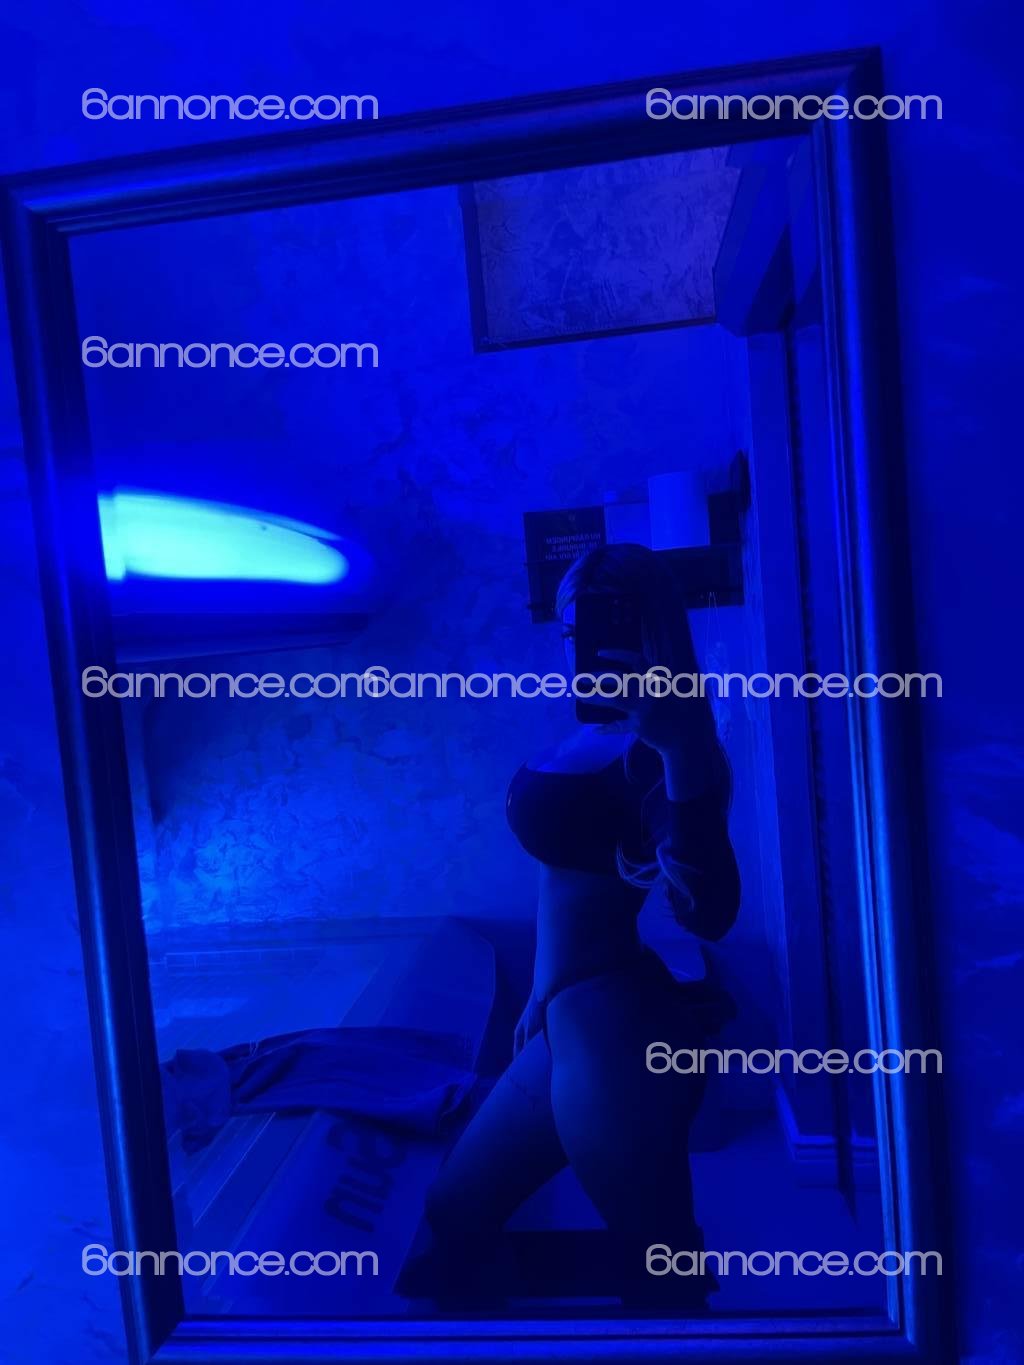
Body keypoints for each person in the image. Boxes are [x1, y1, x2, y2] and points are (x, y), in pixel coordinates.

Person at [403, 543, 740, 1311]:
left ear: (649, 630)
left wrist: (680, 750)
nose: (577, 647)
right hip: (569, 1014)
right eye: (569, 628)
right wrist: (541, 988)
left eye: (600, 625)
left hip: (618, 1029)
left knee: (658, 1263)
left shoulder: (668, 750)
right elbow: (559, 869)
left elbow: (713, 912)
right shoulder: (586, 734)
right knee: (455, 1209)